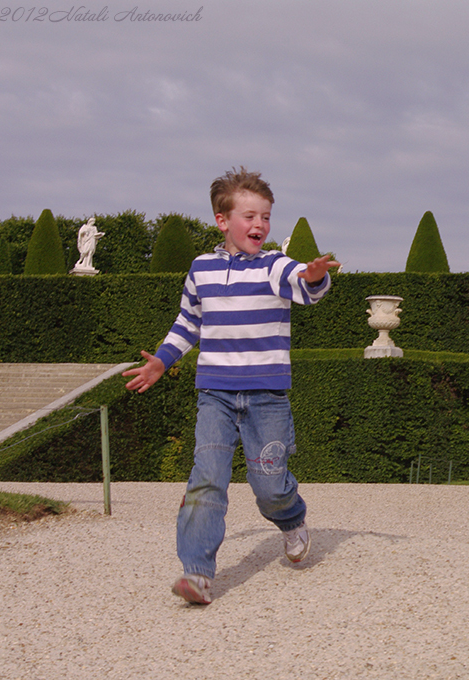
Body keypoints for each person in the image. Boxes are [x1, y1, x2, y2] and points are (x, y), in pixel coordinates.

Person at [123, 167, 340, 605]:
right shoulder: (201, 268)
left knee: (270, 485)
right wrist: (162, 362)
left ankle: (292, 518)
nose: (259, 225)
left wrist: (314, 276)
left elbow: (305, 285)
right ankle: (198, 573)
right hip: (215, 396)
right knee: (206, 479)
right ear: (223, 221)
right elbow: (189, 321)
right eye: (249, 216)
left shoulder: (275, 265)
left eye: (265, 217)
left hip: (267, 398)